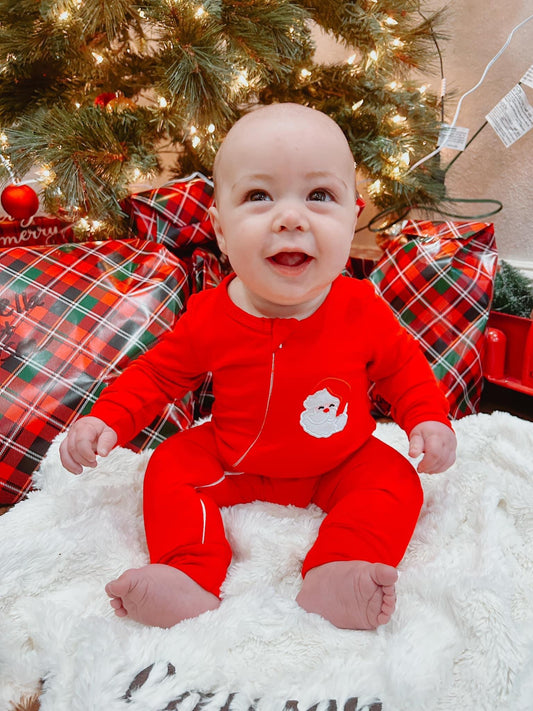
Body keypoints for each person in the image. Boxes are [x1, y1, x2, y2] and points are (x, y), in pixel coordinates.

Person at [59, 103, 457, 631]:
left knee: (396, 481)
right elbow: (157, 376)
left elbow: (402, 369)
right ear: (221, 231)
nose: (291, 218)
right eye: (258, 196)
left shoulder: (361, 308)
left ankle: (339, 567)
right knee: (168, 468)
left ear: (352, 216)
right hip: (233, 457)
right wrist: (106, 419)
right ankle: (188, 571)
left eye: (320, 196)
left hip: (340, 460)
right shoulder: (210, 316)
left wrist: (428, 417)